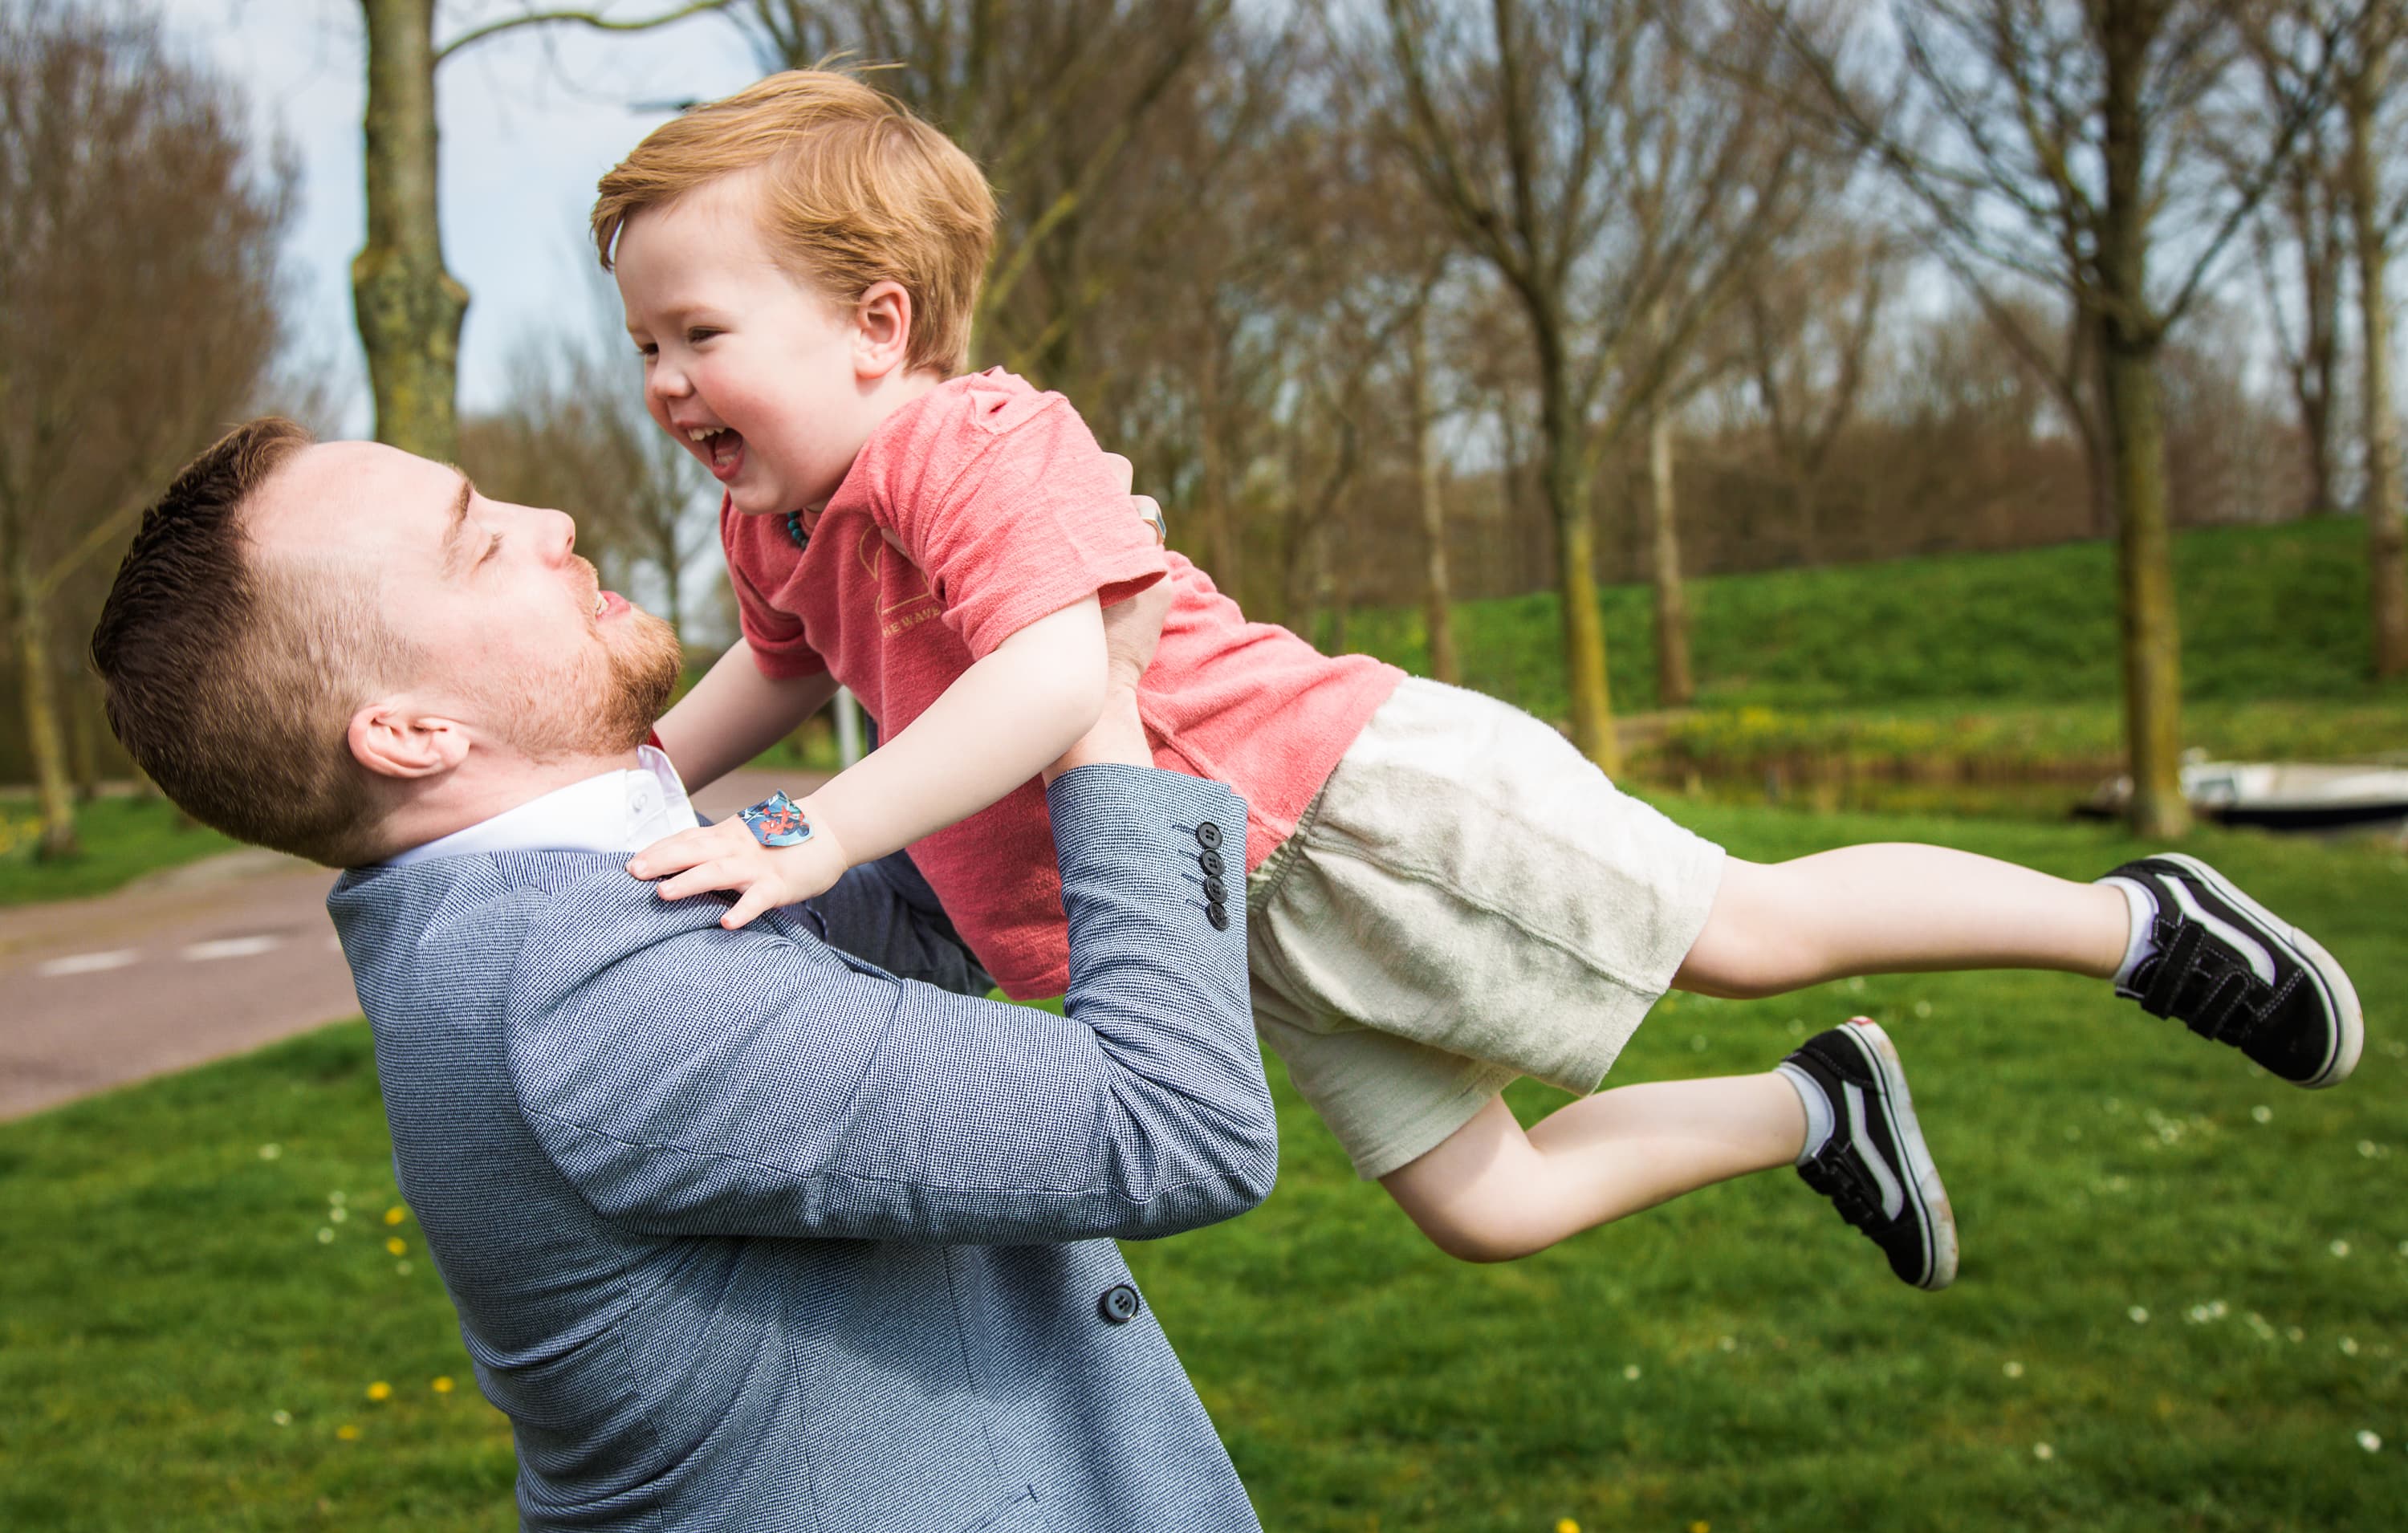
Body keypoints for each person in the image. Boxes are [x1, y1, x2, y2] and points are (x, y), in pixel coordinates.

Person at [596, 68, 2364, 1290]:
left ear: (878, 325)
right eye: (643, 346)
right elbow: (762, 678)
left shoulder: (971, 446)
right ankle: (1815, 1108)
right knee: (1491, 1206)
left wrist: (819, 837)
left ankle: (2136, 923)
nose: (667, 382)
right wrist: (603, 794)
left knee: (1744, 929)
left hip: (1344, 799)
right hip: (1233, 912)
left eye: (702, 334)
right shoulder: (788, 528)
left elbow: (1058, 672)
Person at [88, 419, 1290, 1533]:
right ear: (413, 734)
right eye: (473, 543)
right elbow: (1177, 1120)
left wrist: (974, 627)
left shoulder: (514, 922)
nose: (549, 524)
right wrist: (1096, 690)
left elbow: (926, 924)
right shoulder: (589, 996)